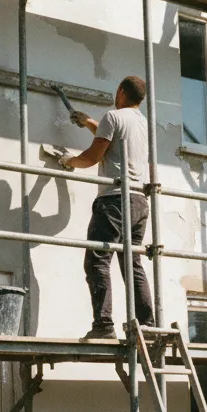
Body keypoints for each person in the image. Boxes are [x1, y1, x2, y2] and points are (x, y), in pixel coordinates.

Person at [61, 76, 155, 339]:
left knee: (97, 261)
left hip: (114, 201)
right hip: (139, 201)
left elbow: (93, 157)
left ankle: (103, 327)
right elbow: (116, 143)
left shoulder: (112, 117)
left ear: (121, 92)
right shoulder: (144, 124)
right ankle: (147, 325)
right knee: (131, 263)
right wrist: (89, 122)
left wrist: (70, 161)